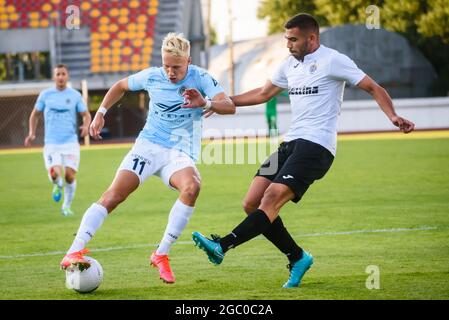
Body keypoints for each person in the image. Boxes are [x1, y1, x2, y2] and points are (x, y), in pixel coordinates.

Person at [190, 13, 415, 288]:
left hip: (317, 145)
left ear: (312, 38)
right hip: (291, 143)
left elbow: (372, 86)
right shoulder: (288, 66)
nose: (288, 44)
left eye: (294, 39)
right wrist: (215, 102)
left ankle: (222, 246)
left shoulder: (334, 60)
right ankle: (297, 257)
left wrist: (392, 116)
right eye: (286, 39)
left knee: (271, 198)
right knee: (251, 203)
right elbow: (262, 93)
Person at [59, 33, 235, 284]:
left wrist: (206, 102)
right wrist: (100, 113)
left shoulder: (202, 77)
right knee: (114, 196)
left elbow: (229, 105)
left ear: (188, 61)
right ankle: (73, 250)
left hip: (178, 152)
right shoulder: (152, 75)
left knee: (192, 186)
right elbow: (120, 86)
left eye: (176, 67)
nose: (170, 72)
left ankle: (161, 254)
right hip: (148, 146)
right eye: (166, 66)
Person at [24, 64, 91, 217]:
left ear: (67, 76)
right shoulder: (45, 95)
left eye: (63, 74)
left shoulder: (75, 95)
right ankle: (57, 184)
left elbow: (86, 115)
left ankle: (66, 207)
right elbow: (34, 114)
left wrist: (86, 126)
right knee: (55, 173)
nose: (60, 77)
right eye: (58, 74)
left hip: (70, 143)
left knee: (70, 176)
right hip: (52, 143)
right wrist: (32, 133)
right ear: (54, 77)